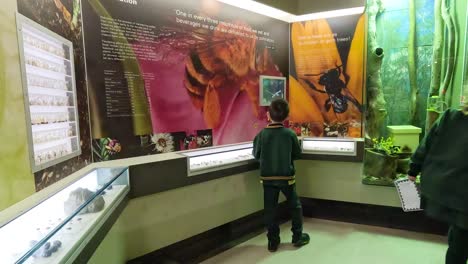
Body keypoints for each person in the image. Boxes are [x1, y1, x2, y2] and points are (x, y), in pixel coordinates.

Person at [408, 102, 468, 264]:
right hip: (462, 194)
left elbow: (426, 144)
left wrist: (414, 169)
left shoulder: (450, 116)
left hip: (447, 187)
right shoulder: (450, 117)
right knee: (460, 241)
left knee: (459, 235)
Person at [253, 98, 310, 252]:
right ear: (286, 116)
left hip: (268, 179)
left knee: (270, 209)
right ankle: (297, 236)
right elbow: (297, 154)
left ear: (268, 115)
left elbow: (256, 154)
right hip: (287, 178)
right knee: (295, 206)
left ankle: (273, 241)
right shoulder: (289, 134)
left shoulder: (261, 135)